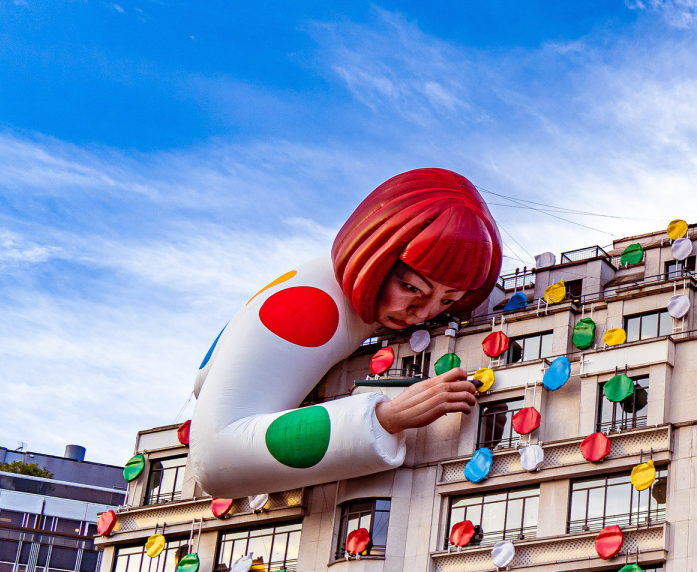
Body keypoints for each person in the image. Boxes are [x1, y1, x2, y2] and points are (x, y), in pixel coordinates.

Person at [187, 168, 502, 500]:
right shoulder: (309, 311)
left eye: (447, 300)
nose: (423, 313)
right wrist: (386, 417)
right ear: (376, 258)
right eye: (411, 288)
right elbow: (213, 455)